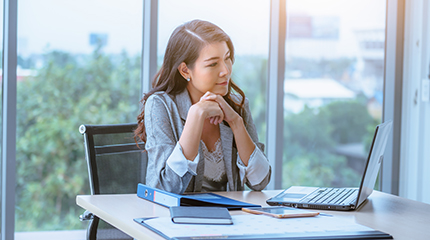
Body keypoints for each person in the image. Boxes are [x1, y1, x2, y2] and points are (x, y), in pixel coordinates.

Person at [135, 19, 271, 194]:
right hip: (177, 219)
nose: (226, 71)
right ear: (185, 70)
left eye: (227, 58)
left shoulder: (237, 105)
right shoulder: (161, 105)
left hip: (233, 218)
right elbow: (166, 188)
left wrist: (237, 123)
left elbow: (260, 182)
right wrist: (195, 116)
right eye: (213, 64)